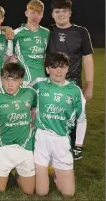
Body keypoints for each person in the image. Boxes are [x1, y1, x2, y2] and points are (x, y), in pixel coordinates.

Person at [29, 52, 87, 197]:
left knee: (68, 193)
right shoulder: (38, 83)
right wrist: (31, 116)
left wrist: (78, 145)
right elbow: (25, 97)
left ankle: (53, 169)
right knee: (42, 192)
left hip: (61, 141)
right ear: (47, 69)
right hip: (41, 138)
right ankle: (27, 169)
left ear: (68, 69)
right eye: (54, 67)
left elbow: (81, 119)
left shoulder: (75, 91)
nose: (58, 71)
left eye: (62, 67)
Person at [47, 0, 94, 148]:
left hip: (73, 84)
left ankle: (73, 149)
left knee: (74, 118)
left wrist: (89, 84)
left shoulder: (81, 32)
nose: (61, 14)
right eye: (57, 11)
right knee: (51, 117)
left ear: (70, 13)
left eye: (64, 11)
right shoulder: (47, 32)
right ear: (52, 14)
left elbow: (87, 59)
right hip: (50, 84)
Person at [0, 63, 36, 194]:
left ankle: (18, 174)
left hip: (25, 147)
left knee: (29, 192)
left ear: (21, 81)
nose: (10, 84)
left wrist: (33, 122)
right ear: (1, 78)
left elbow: (35, 108)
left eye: (14, 80)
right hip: (3, 148)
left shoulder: (30, 93)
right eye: (6, 79)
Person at [12, 0, 50, 85]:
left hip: (42, 79)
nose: (35, 16)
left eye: (39, 13)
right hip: (23, 80)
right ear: (26, 13)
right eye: (32, 12)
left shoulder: (47, 33)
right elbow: (7, 54)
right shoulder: (16, 33)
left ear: (42, 15)